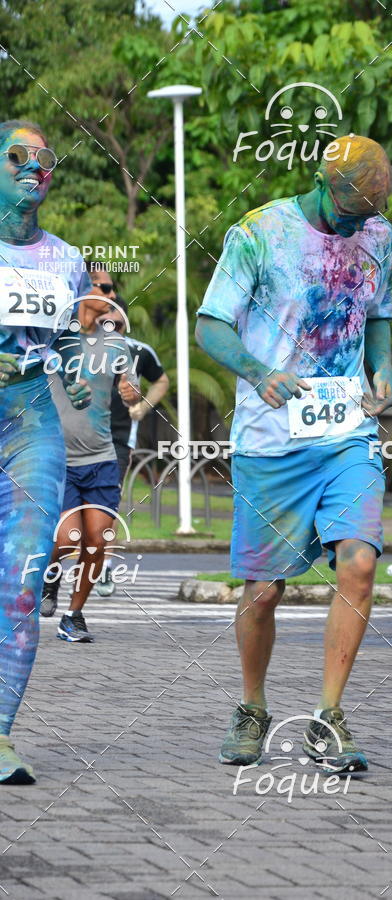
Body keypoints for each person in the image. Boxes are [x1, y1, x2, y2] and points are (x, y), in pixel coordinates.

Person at [196, 134, 392, 773]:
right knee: (263, 592)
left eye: (367, 213)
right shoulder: (258, 233)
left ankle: (328, 716)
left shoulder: (379, 236)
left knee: (359, 564)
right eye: (348, 211)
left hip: (345, 434)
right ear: (321, 181)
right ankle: (252, 706)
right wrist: (258, 372)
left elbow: (380, 313)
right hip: (270, 439)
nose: (355, 224)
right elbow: (211, 325)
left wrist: (382, 370)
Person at [0, 119, 92, 783]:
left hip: (32, 428)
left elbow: (62, 341)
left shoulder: (66, 260)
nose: (34, 169)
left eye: (44, 160)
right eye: (16, 159)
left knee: (25, 586)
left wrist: (80, 368)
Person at [41, 263, 141, 641]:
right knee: (67, 539)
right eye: (106, 288)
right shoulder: (53, 337)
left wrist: (132, 391)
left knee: (99, 540)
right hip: (58, 458)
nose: (113, 296)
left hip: (100, 458)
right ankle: (49, 579)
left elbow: (131, 385)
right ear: (83, 290)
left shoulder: (116, 342)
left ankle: (74, 614)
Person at [95, 295, 169, 596]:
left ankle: (103, 569)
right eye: (100, 313)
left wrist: (144, 406)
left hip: (118, 438)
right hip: (75, 437)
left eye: (111, 312)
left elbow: (161, 381)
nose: (105, 318)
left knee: (107, 504)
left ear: (123, 318)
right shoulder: (79, 347)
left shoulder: (139, 351)